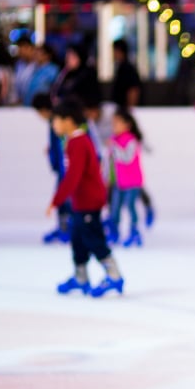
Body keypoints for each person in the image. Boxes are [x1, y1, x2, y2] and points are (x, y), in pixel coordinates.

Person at [48, 99, 124, 298]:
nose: (53, 125)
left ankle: (114, 275)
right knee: (78, 239)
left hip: (89, 201)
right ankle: (81, 276)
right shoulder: (73, 141)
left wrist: (57, 200)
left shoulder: (79, 142)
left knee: (93, 238)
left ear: (68, 120)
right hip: (81, 201)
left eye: (55, 120)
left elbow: (73, 176)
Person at [32, 93, 71, 244]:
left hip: (65, 169)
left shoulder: (59, 121)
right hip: (60, 168)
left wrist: (62, 165)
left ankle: (68, 228)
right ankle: (63, 227)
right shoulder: (53, 122)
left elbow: (64, 146)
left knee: (66, 198)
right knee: (61, 197)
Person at [107, 108, 146, 248]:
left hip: (133, 182)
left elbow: (126, 158)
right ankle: (114, 231)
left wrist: (115, 147)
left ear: (127, 124)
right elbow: (110, 162)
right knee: (115, 207)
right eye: (113, 123)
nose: (114, 126)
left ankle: (135, 231)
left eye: (117, 123)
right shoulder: (113, 140)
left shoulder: (131, 140)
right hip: (119, 181)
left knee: (130, 206)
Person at [110, 39, 143, 110]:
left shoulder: (127, 69)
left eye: (114, 50)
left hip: (125, 110)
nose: (112, 54)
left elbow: (133, 90)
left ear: (119, 51)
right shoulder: (121, 68)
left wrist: (130, 109)